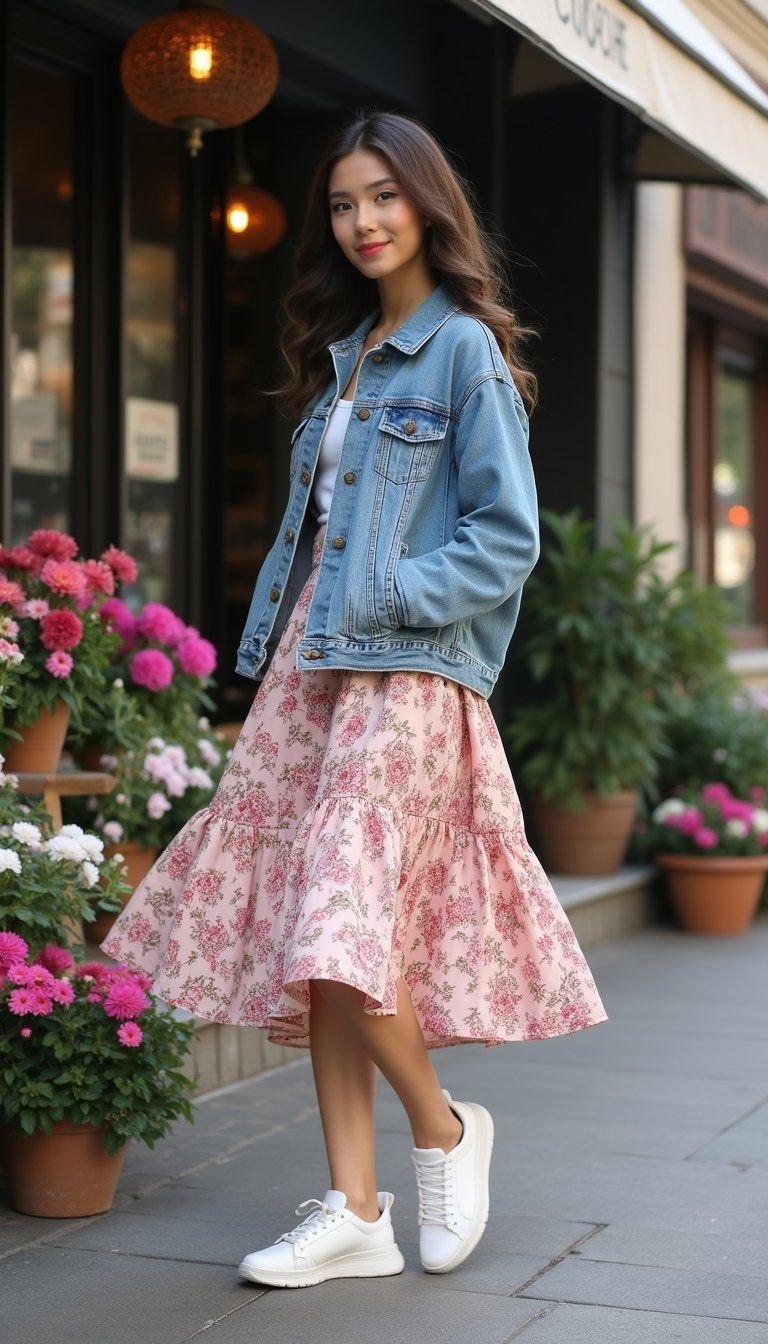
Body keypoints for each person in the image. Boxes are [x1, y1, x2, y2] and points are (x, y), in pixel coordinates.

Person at [101, 109, 608, 1290]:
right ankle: (355, 1208)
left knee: (340, 910)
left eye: (383, 196)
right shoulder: (344, 356)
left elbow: (507, 538)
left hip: (410, 669)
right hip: (314, 667)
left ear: (428, 205)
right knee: (310, 924)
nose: (363, 221)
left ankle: (444, 1127)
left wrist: (390, 593)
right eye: (342, 203)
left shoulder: (464, 351)